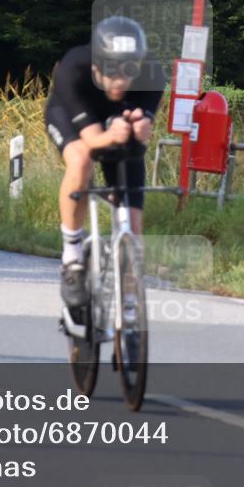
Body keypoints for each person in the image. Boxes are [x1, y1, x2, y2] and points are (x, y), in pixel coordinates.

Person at [44, 16, 164, 308]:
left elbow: (140, 136)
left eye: (129, 71)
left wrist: (142, 130)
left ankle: (130, 307)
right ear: (97, 66)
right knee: (82, 158)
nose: (121, 80)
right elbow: (93, 140)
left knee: (134, 229)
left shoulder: (154, 74)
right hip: (72, 117)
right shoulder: (74, 67)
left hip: (117, 124)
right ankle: (72, 254)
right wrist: (113, 135)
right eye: (112, 71)